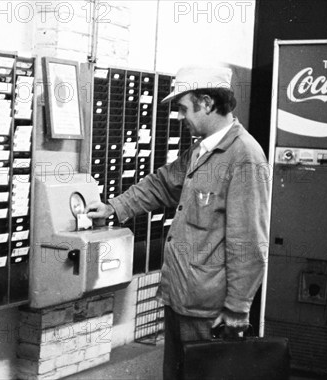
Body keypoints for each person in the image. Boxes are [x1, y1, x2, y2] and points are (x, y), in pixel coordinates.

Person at [86, 67, 270, 379]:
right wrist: (113, 207)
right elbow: (161, 184)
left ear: (208, 103)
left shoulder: (244, 157)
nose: (181, 117)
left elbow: (249, 241)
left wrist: (238, 307)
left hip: (210, 308)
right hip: (180, 297)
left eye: (184, 108)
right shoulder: (201, 150)